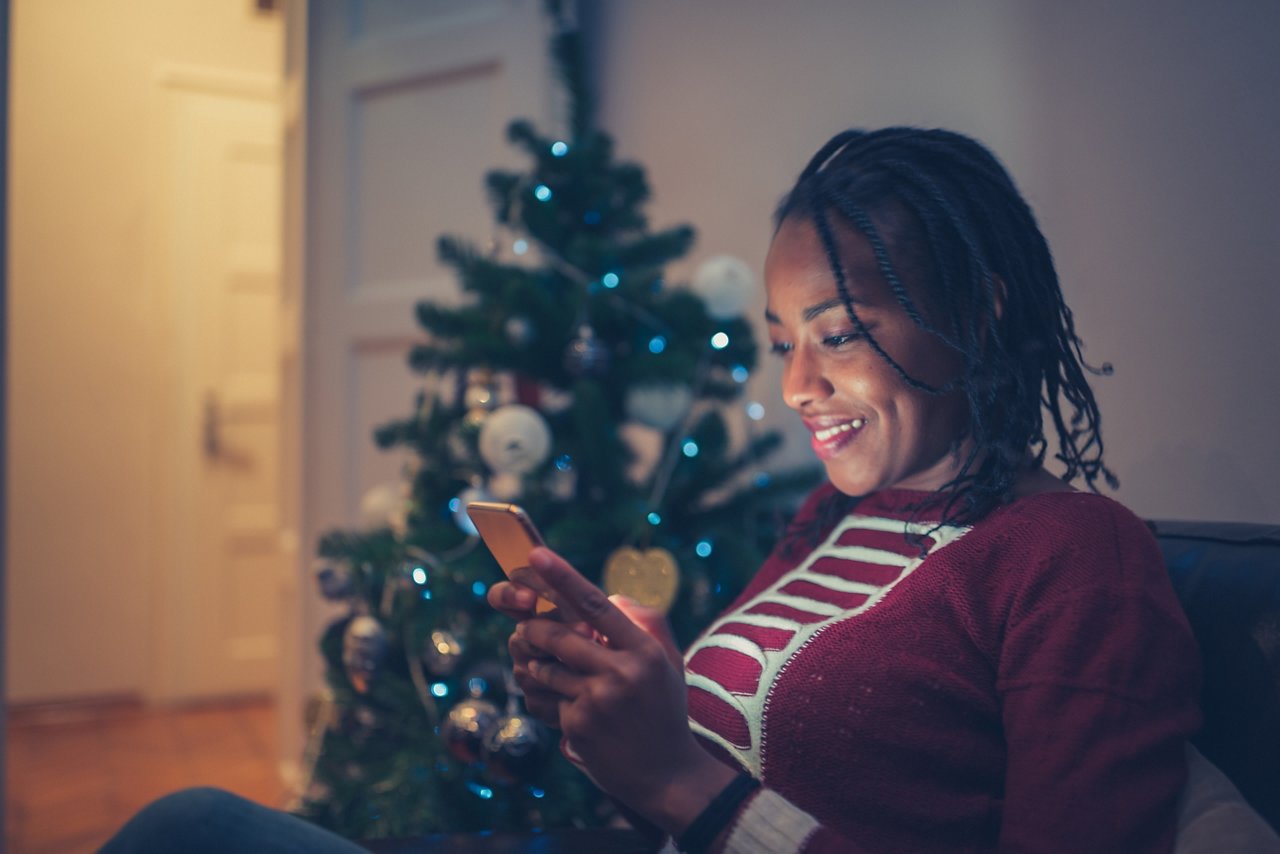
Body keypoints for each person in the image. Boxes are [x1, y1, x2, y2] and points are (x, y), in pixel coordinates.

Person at [486, 127, 1205, 853]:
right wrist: (631, 722)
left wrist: (678, 777)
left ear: (978, 314)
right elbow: (708, 812)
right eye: (782, 344)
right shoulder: (832, 514)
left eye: (839, 335)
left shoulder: (1075, 557)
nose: (797, 388)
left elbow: (705, 801)